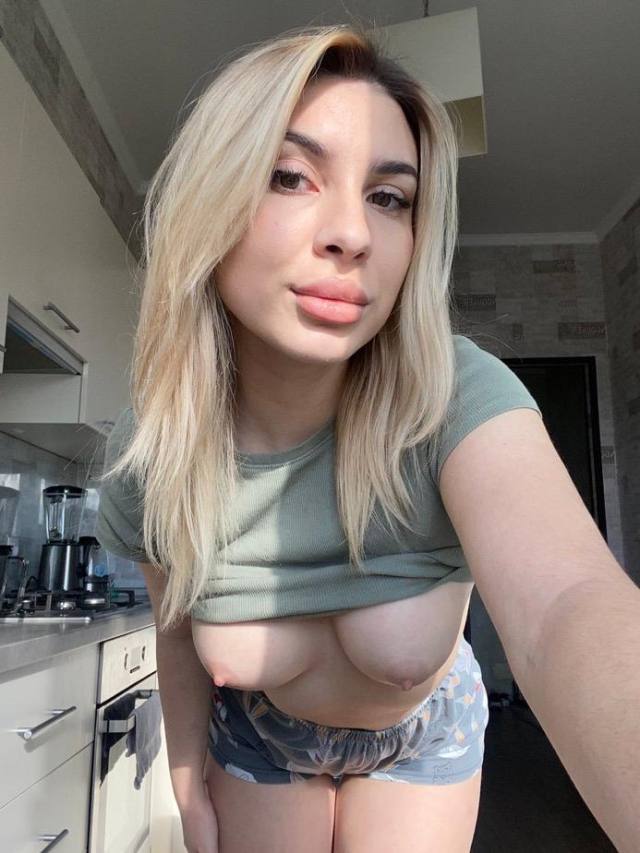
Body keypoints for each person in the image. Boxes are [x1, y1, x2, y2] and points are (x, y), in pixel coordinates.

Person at [96, 24, 640, 853]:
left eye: (389, 197)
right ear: (211, 197)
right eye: (290, 176)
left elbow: (568, 603)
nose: (352, 233)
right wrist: (186, 779)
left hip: (422, 734)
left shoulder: (452, 394)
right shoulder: (157, 448)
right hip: (258, 740)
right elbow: (174, 630)